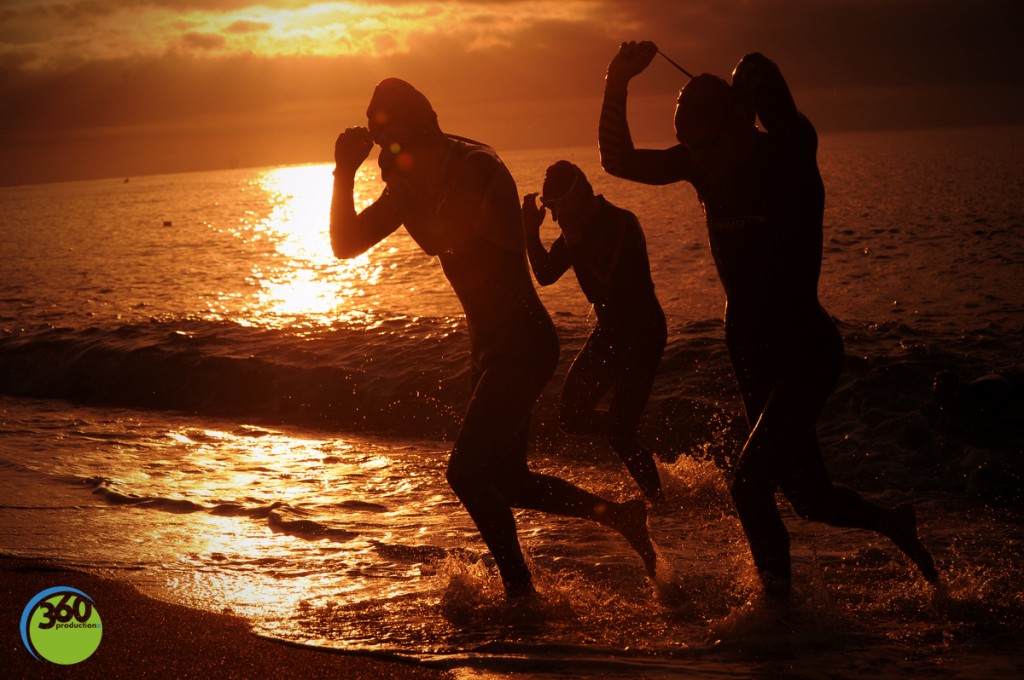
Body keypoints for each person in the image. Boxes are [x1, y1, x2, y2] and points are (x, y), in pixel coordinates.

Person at [598, 42, 937, 598]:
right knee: (810, 499)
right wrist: (617, 79)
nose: (695, 159)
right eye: (689, 148)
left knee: (749, 487)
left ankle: (779, 619)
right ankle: (895, 522)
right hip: (750, 347)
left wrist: (756, 74)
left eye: (704, 145)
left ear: (738, 124)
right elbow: (617, 159)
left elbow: (783, 111)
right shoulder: (702, 163)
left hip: (804, 346)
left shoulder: (789, 158)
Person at [329, 78, 656, 600]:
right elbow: (345, 244)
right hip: (489, 349)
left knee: (465, 472)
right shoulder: (415, 183)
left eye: (387, 139)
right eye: (375, 141)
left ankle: (521, 594)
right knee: (507, 479)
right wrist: (343, 173)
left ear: (419, 129)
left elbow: (444, 237)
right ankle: (620, 516)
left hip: (524, 342)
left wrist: (401, 193)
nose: (382, 155)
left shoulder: (476, 166)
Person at [521, 161, 667, 502]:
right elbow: (544, 274)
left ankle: (659, 502)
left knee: (618, 433)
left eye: (559, 208)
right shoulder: (575, 232)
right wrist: (529, 232)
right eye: (551, 209)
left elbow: (604, 289)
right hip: (611, 332)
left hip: (643, 333)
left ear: (580, 196)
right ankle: (631, 428)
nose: (556, 218)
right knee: (571, 418)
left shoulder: (621, 224)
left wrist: (574, 238)